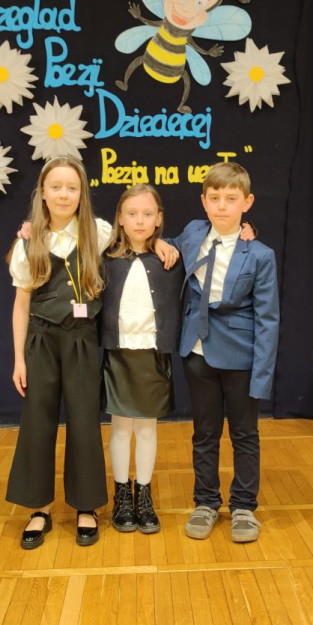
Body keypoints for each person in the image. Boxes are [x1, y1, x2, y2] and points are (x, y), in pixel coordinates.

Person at [5, 157, 179, 549]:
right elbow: (20, 306)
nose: (64, 195)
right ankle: (39, 509)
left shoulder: (98, 233)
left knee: (84, 420)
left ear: (82, 193)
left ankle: (86, 505)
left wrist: (159, 242)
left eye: (72, 188)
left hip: (82, 339)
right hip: (41, 341)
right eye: (56, 187)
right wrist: (18, 358)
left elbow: (137, 238)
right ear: (43, 193)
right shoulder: (28, 242)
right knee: (38, 422)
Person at [170, 162, 280, 543]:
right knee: (204, 432)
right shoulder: (193, 232)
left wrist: (262, 377)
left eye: (231, 199)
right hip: (197, 351)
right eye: (214, 198)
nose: (221, 206)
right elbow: (166, 242)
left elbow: (268, 319)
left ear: (246, 203)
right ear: (203, 201)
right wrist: (158, 243)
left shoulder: (259, 254)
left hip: (241, 358)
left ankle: (244, 506)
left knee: (245, 434)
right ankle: (205, 502)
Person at [100, 184, 184, 534]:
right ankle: (122, 494)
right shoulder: (104, 256)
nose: (139, 220)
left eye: (148, 214)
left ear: (159, 219)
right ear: (119, 218)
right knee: (121, 426)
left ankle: (144, 494)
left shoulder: (171, 256)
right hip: (119, 354)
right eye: (132, 213)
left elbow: (208, 235)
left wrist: (249, 228)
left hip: (152, 352)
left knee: (147, 427)